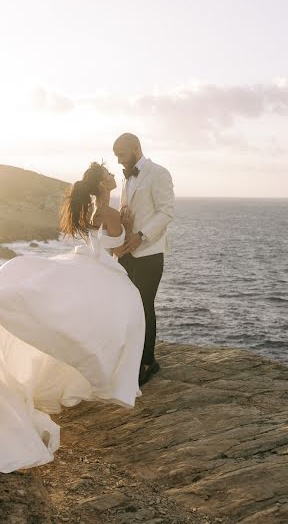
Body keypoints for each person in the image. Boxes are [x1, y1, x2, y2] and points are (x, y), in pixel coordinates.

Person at [0, 162, 145, 473]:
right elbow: (118, 250)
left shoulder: (95, 208)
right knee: (121, 310)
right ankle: (103, 378)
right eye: (109, 175)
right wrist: (132, 230)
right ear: (103, 183)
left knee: (76, 318)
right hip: (103, 269)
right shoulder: (108, 212)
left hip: (89, 265)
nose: (114, 177)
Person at [113, 133, 175, 386]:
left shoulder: (158, 173)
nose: (119, 161)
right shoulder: (125, 177)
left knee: (144, 306)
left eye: (122, 155)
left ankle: (148, 362)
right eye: (116, 156)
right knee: (128, 307)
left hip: (149, 253)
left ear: (136, 148)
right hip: (128, 253)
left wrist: (141, 236)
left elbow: (167, 211)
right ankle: (132, 359)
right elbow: (128, 212)